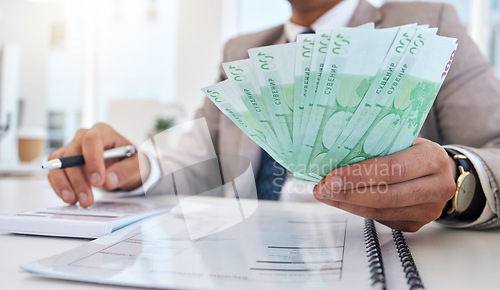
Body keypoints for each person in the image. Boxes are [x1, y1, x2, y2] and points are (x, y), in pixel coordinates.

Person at [47, 0, 500, 232]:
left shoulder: (431, 19)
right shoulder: (240, 51)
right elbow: (203, 159)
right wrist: (136, 165)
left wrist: (459, 181)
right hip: (244, 258)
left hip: (384, 253)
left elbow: (494, 146)